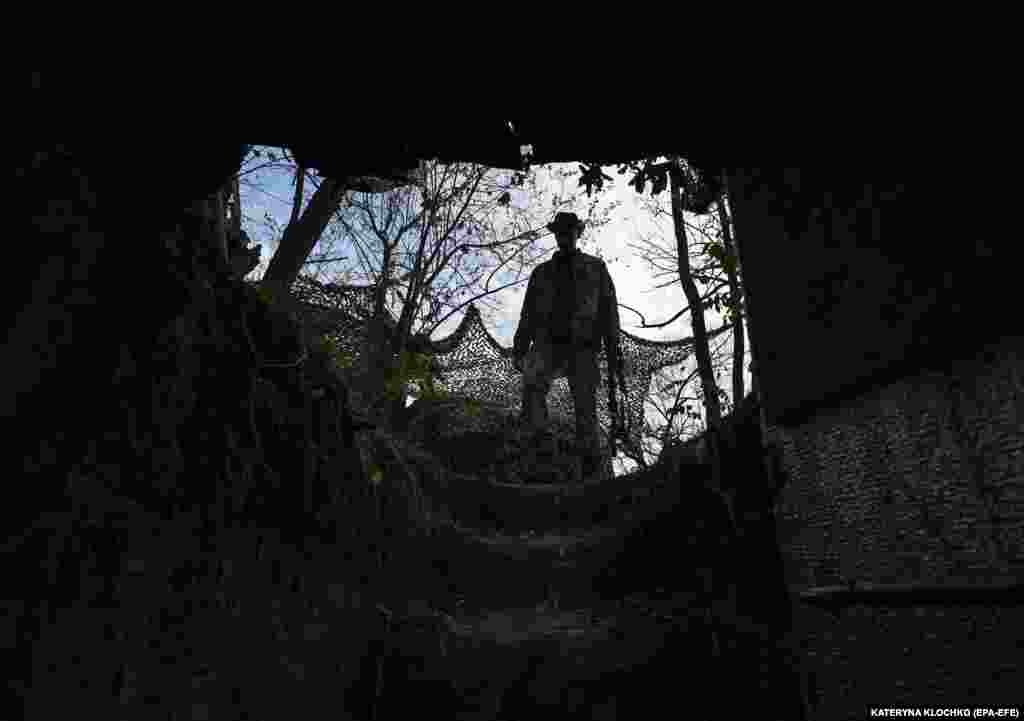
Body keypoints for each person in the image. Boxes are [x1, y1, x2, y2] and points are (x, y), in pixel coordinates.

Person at [513, 212, 622, 479]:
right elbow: (527, 313)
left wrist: (613, 347)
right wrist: (519, 348)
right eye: (561, 231)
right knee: (533, 385)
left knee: (585, 403)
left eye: (570, 230)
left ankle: (589, 462)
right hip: (546, 342)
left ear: (578, 232)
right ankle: (540, 444)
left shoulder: (595, 267)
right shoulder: (541, 273)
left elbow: (609, 311)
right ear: (555, 234)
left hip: (583, 344)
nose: (565, 235)